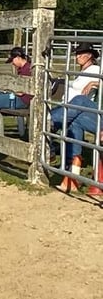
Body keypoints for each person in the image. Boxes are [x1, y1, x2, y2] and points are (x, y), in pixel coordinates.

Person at [49, 42, 102, 193]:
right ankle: (73, 178)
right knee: (74, 124)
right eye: (76, 54)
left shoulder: (96, 69)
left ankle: (50, 123)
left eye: (81, 53)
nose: (77, 56)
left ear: (90, 55)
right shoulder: (81, 73)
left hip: (90, 111)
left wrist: (95, 81)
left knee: (79, 100)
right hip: (77, 113)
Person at [0, 46, 32, 131]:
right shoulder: (22, 69)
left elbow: (21, 92)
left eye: (13, 60)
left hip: (21, 100)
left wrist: (8, 89)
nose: (12, 63)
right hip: (15, 94)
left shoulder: (27, 70)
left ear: (18, 58)